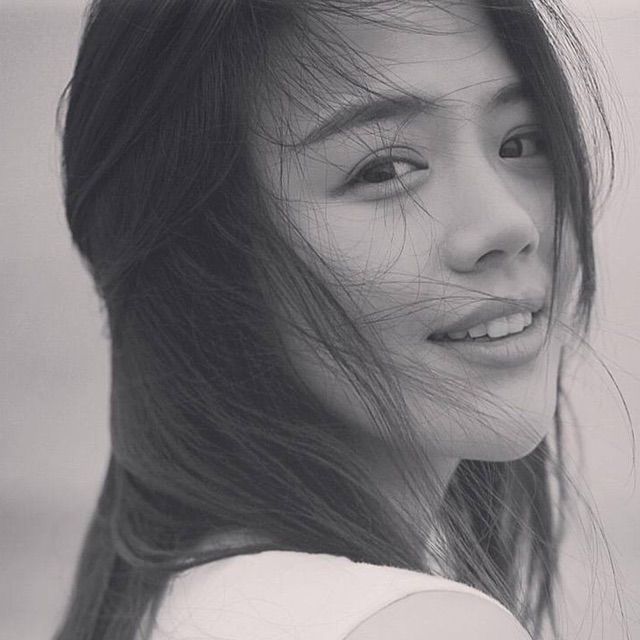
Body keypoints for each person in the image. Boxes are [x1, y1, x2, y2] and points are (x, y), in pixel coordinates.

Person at [54, 0, 614, 638]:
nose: (509, 223)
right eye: (385, 168)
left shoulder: (169, 604)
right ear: (200, 259)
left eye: (521, 142)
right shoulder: (414, 626)